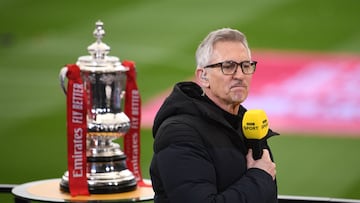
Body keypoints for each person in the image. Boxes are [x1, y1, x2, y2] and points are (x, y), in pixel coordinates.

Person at [150, 28, 278, 203]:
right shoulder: (179, 134)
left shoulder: (247, 123)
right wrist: (259, 176)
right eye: (228, 66)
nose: (240, 75)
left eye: (246, 65)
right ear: (203, 77)